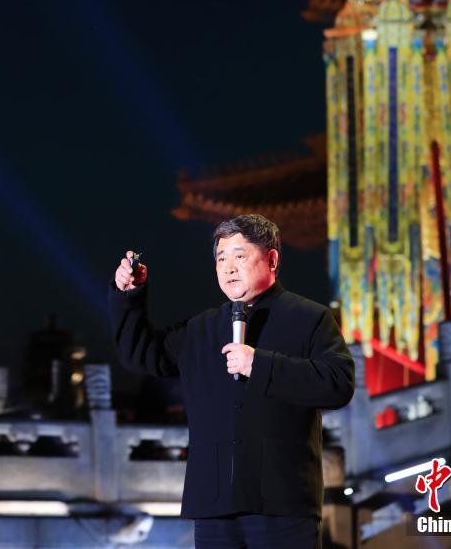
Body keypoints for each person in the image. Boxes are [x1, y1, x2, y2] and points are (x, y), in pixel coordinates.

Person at [108, 214, 355, 549]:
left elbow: (339, 383)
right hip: (214, 506)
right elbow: (142, 355)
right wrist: (129, 296)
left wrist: (261, 365)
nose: (228, 268)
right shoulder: (202, 328)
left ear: (271, 260)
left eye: (240, 256)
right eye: (221, 258)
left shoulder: (310, 318)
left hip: (282, 504)